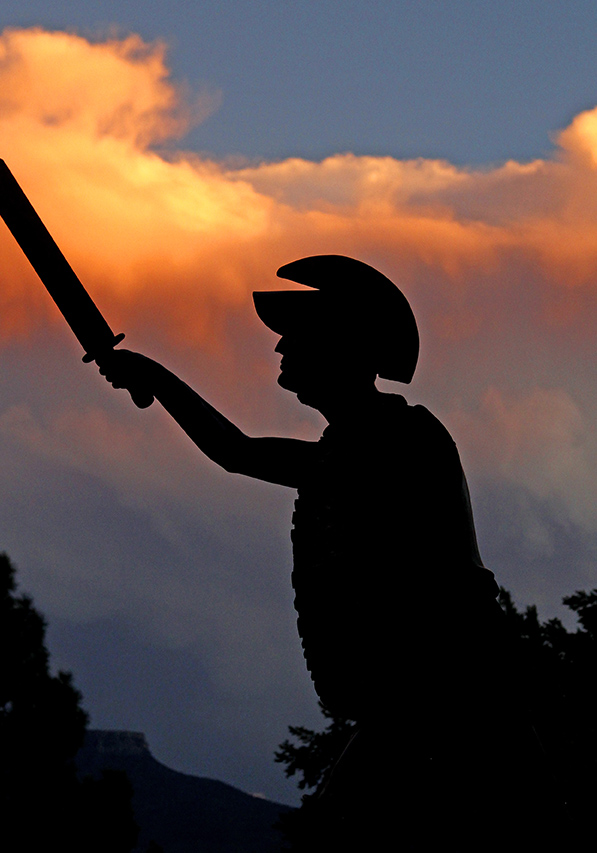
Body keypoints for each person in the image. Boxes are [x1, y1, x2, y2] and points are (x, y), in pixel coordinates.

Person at [96, 255, 567, 849]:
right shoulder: (354, 445)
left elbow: (243, 455)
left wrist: (155, 379)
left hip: (448, 703)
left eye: (297, 336)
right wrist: (155, 377)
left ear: (342, 348)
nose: (281, 350)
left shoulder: (396, 439)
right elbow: (237, 452)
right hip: (423, 706)